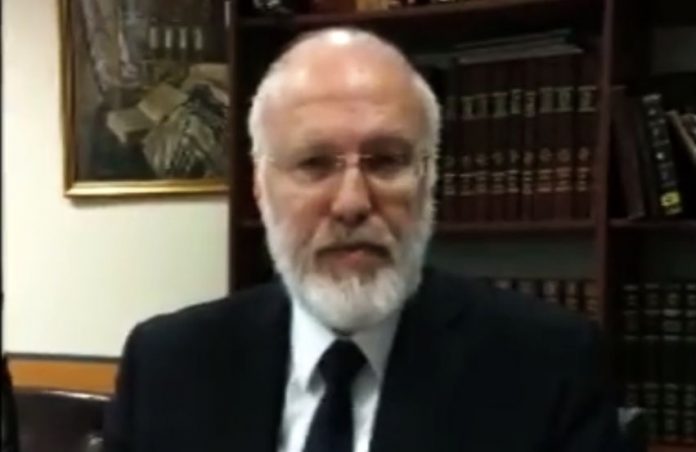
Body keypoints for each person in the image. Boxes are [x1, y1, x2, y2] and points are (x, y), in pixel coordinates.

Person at [103, 27, 622, 452]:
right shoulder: (167, 365)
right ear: (260, 188)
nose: (351, 202)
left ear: (429, 181)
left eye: (387, 161)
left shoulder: (547, 366)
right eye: (314, 163)